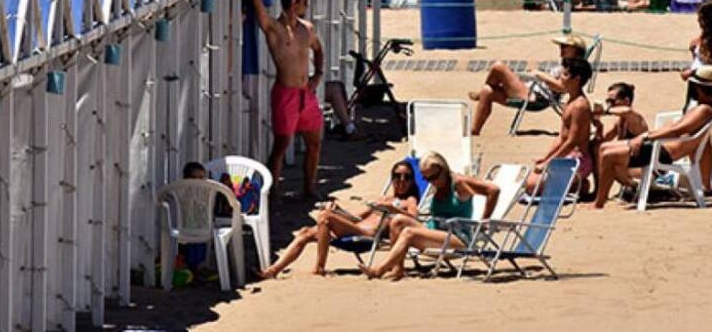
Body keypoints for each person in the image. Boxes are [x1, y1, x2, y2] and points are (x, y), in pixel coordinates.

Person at [594, 0, 712, 208]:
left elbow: (677, 128)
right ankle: (701, 182)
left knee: (607, 153)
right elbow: (680, 129)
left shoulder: (704, 110)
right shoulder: (704, 108)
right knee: (604, 149)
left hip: (662, 151)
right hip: (667, 145)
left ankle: (599, 202)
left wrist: (644, 137)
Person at [255, 159, 421, 279]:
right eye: (397, 176)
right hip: (354, 227)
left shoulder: (409, 200)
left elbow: (414, 219)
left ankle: (319, 268)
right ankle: (273, 270)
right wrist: (339, 211)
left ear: (412, 181)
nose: (401, 181)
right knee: (306, 232)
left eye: (406, 177)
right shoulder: (381, 198)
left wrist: (395, 210)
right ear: (392, 178)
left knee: (325, 217)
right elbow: (357, 217)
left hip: (368, 234)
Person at [359, 152, 499, 281]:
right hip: (435, 232)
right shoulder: (437, 185)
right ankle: (398, 269)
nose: (431, 182)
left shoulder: (460, 182)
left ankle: (378, 270)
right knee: (398, 221)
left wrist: (484, 220)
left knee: (409, 233)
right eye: (427, 179)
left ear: (443, 169)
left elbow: (493, 190)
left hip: (458, 237)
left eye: (433, 177)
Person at [249, 0, 325, 200]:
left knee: (314, 142)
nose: (307, 6)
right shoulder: (275, 29)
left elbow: (319, 50)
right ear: (294, 4)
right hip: (286, 93)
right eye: (304, 2)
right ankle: (272, 193)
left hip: (305, 93)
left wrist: (317, 74)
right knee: (281, 145)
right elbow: (261, 14)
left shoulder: (307, 29)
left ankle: (309, 188)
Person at [469, 33, 588, 135]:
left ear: (576, 50)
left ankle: (479, 95)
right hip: (531, 90)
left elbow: (562, 87)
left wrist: (540, 74)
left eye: (566, 47)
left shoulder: (573, 69)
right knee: (487, 91)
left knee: (498, 67)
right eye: (561, 46)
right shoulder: (565, 64)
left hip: (535, 97)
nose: (561, 49)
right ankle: (475, 131)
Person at [522, 57, 594, 195]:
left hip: (578, 160)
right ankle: (576, 185)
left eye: (565, 74)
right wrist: (546, 157)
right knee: (530, 178)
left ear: (577, 79)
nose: (561, 77)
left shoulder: (579, 106)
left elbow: (572, 141)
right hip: (568, 155)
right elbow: (562, 137)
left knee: (531, 185)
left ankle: (576, 183)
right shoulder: (571, 101)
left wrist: (549, 162)